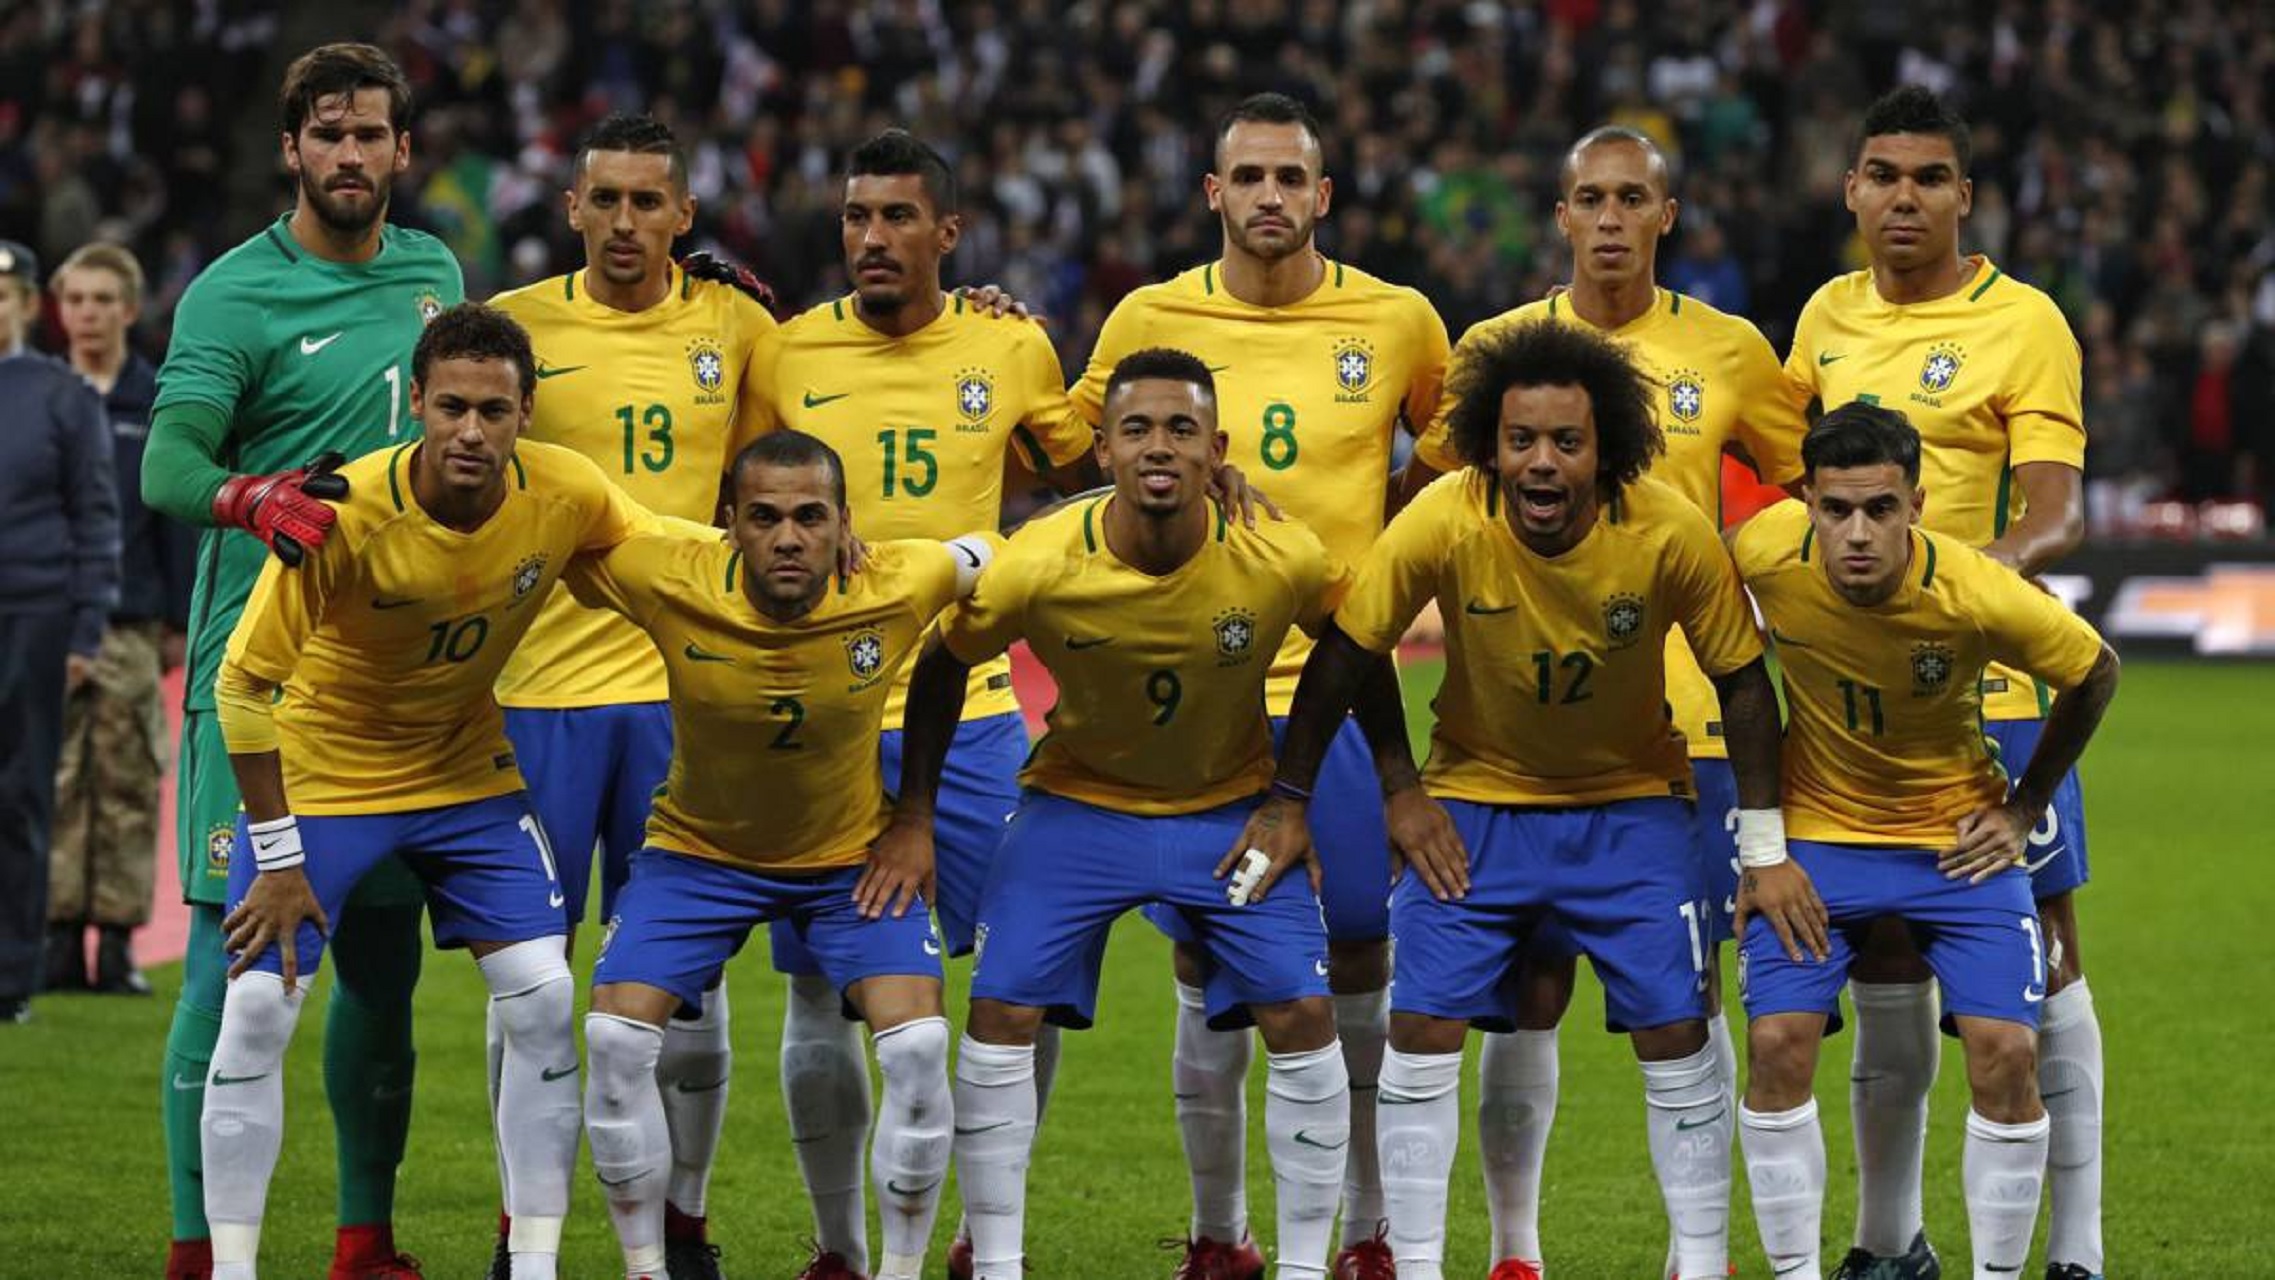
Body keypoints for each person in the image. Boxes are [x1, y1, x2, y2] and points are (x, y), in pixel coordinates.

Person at [1249, 320, 1785, 1280]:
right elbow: (1348, 650)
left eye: (1566, 442)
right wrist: (1377, 791)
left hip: (1631, 807)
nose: (1541, 462)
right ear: (1487, 447)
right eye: (1520, 441)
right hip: (1474, 807)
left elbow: (1743, 683)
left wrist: (1765, 848)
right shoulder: (1446, 515)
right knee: (1420, 1028)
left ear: (1605, 448)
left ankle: (1702, 1264)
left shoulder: (1666, 528)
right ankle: (1417, 1264)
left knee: (1677, 1028)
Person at [1397, 125, 1804, 1277]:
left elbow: (1803, 491)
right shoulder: (1496, 351)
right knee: (1523, 991)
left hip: (1689, 731)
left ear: (1665, 216)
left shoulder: (1730, 349)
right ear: (1562, 215)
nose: (1612, 218)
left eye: (1633, 198)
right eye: (1591, 198)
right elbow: (1421, 498)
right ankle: (1515, 1247)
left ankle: (1694, 1252)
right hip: (1514, 734)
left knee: (1684, 994)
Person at [907, 348, 1404, 1280]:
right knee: (1001, 1009)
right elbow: (941, 664)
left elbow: (1355, 650)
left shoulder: (1279, 554)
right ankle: (994, 1259)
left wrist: (1307, 797)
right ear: (1102, 450)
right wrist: (911, 818)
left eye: (1181, 429)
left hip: (1228, 816)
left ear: (1218, 448)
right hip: (1077, 809)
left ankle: (1301, 1264)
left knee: (1304, 1010)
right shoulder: (1039, 560)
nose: (1159, 447)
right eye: (1135, 429)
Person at [1070, 93, 1449, 1280]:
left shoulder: (1398, 320)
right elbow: (1064, 444)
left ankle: (1367, 1231)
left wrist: (1380, 553)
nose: (1270, 195)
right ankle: (1218, 1232)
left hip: (1344, 689)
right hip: (1201, 692)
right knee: (1205, 959)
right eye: (1249, 176)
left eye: (1291, 177)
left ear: (1323, 194)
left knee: (1360, 950)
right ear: (1213, 193)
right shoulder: (1149, 316)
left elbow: (1446, 462)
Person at [200, 303, 650, 1280]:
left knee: (544, 998)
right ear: (416, 402)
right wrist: (276, 858)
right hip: (326, 777)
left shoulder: (566, 491)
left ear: (527, 411)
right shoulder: (343, 513)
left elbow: (662, 550)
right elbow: (241, 686)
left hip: (463, 773)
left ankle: (532, 1263)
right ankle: (231, 1270)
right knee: (258, 1011)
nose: (471, 431)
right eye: (452, 407)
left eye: (494, 410)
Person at [744, 126, 1099, 1280]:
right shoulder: (787, 353)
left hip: (976, 707)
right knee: (817, 988)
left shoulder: (1011, 345)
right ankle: (839, 1244)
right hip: (825, 718)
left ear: (947, 233)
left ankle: (986, 1232)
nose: (873, 236)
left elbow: (1072, 471)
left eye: (898, 216)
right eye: (856, 215)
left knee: (1016, 981)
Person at [140, 43, 465, 1280]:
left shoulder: (435, 273)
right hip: (258, 677)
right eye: (326, 132)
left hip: (393, 682)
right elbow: (167, 464)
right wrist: (249, 494)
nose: (348, 153)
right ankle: (195, 1251)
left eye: (369, 133)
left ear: (401, 149)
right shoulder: (233, 294)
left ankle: (363, 1241)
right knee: (233, 963)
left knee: (381, 967)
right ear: (291, 148)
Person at [1777, 85, 2099, 1280]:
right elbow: (1794, 488)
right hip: (1859, 706)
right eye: (1882, 175)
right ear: (1850, 190)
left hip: (1994, 696)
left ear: (1963, 194)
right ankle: (1886, 1239)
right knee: (1882, 958)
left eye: (1926, 177)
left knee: (2047, 960)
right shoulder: (1823, 317)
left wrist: (1965, 587)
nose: (1902, 197)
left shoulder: (2024, 321)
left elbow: (2057, 511)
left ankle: (2076, 1247)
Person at [567, 429, 993, 1280]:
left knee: (916, 1052)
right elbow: (558, 538)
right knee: (613, 1040)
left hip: (848, 867)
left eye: (810, 517)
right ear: (730, 524)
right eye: (764, 518)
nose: (788, 537)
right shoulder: (669, 577)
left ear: (844, 523)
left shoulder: (899, 579)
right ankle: (648, 1270)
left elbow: (995, 554)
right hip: (696, 856)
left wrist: (915, 816)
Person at [1730, 401, 2120, 1280]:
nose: (1856, 534)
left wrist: (2022, 807)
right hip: (1817, 845)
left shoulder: (1973, 588)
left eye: (1879, 509)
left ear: (1915, 503)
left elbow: (2095, 669)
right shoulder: (1762, 552)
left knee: (2008, 1053)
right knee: (1777, 1045)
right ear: (1806, 503)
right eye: (1835, 510)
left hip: (1954, 850)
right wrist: (1761, 848)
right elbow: (1702, 610)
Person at [486, 110, 778, 1280]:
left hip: (685, 696)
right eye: (603, 198)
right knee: (532, 987)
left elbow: (779, 482)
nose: (623, 220)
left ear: (683, 214)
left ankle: (686, 1221)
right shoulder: (514, 327)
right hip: (538, 693)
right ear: (571, 207)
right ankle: (524, 1234)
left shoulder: (738, 325)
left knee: (689, 982)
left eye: (646, 201)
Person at [43, 242, 194, 997]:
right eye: (76, 300)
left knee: (130, 778)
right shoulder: (37, 396)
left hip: (132, 620)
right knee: (55, 778)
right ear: (58, 309)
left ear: (130, 309)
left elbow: (176, 513)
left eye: (103, 300)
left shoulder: (155, 399)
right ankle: (57, 937)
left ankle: (120, 942)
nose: (89, 314)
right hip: (46, 618)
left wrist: (179, 616)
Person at [0, 237, 120, 1025]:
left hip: (33, 614)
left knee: (20, 796)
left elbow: (95, 514)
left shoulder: (61, 394)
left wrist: (86, 628)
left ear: (23, 304)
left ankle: (10, 976)